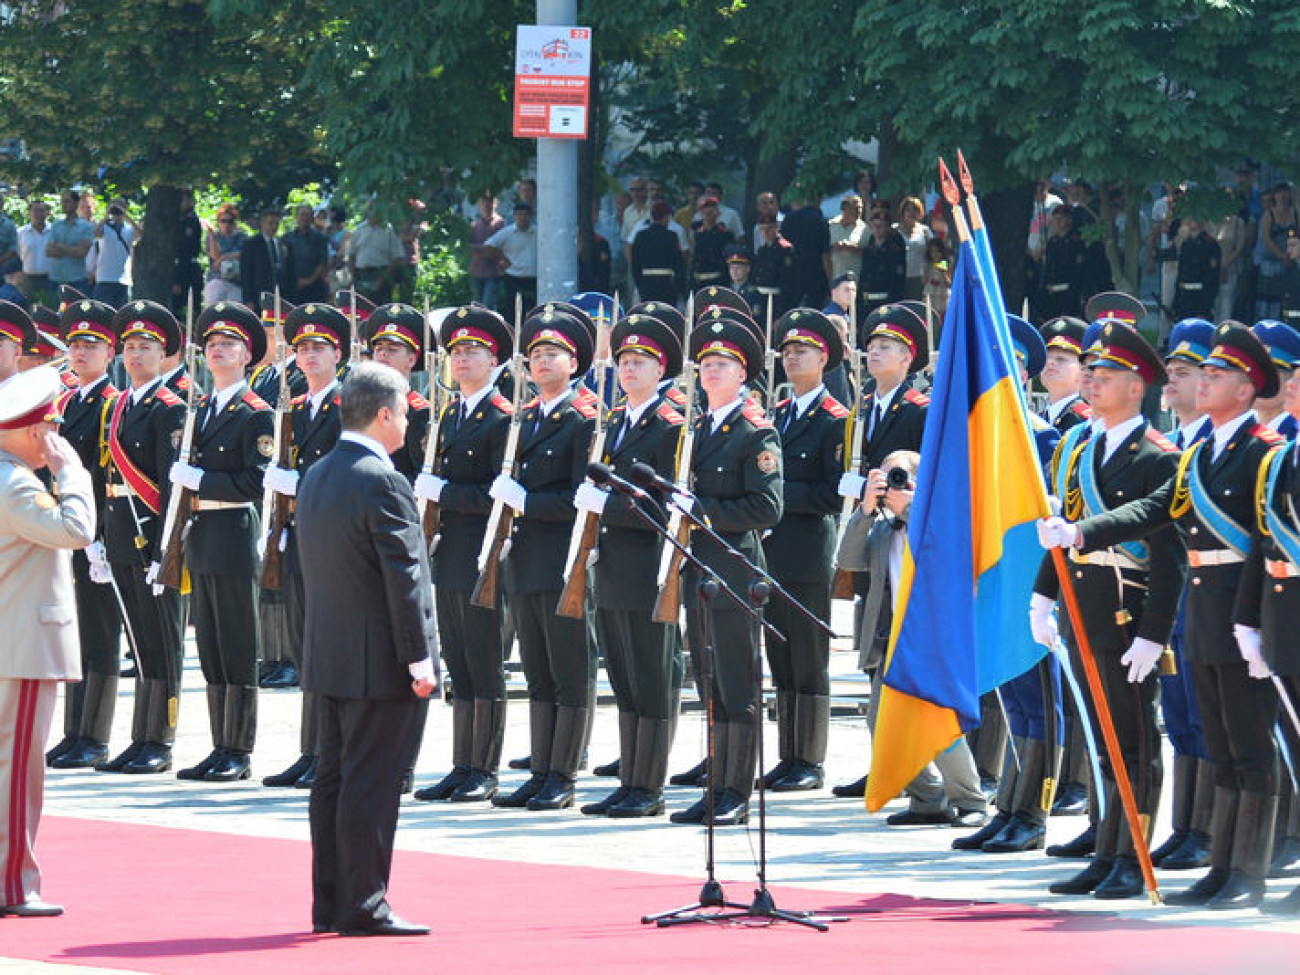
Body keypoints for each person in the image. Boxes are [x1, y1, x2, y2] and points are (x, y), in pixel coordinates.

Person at [1040, 322, 1285, 909]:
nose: (1203, 382)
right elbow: (1154, 511)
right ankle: (1219, 867)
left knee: (1249, 747)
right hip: (1206, 612)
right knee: (1222, 746)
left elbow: (1265, 540)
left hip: (1245, 610)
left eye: (1217, 374)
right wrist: (1078, 534)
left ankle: (1246, 870)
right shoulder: (1201, 456)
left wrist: (1253, 618)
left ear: (1248, 390)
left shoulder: (1264, 454)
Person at [1030, 323, 1186, 900]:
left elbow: (1171, 558)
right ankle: (1105, 847)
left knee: (1135, 738)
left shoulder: (1159, 457)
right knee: (1101, 735)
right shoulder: (1083, 449)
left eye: (1107, 375)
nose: (1093, 382)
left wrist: (1155, 633)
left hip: (1128, 608)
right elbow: (1062, 533)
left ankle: (1133, 852)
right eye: (1091, 374)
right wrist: (1042, 595)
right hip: (1084, 607)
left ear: (1137, 387)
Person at [298, 361, 437, 937]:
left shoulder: (319, 472)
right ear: (384, 414)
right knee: (370, 785)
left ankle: (332, 901)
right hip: (378, 662)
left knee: (333, 781)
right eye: (404, 409)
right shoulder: (383, 479)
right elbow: (403, 581)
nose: (406, 420)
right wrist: (422, 658)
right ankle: (364, 904)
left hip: (329, 654)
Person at [669, 314, 783, 826]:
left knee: (738, 682)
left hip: (735, 571)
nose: (710, 372)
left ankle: (737, 788)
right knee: (709, 679)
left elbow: (767, 506)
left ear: (743, 375)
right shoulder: (698, 428)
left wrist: (704, 510)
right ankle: (717, 782)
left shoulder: (755, 431)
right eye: (705, 364)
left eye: (722, 365)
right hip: (699, 568)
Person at [571, 312, 685, 818]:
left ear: (661, 370)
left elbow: (665, 507)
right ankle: (630, 778)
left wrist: (606, 509)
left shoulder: (671, 425)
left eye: (639, 362)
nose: (629, 369)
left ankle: (650, 785)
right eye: (623, 361)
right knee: (622, 672)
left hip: (650, 566)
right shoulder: (615, 422)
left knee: (652, 674)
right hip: (614, 562)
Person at [490, 306, 597, 812]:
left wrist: (526, 501)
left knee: (569, 667)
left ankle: (564, 773)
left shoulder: (586, 418)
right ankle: (539, 768)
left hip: (563, 558)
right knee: (536, 668)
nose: (542, 361)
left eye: (552, 353)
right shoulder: (524, 417)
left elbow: (582, 496)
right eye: (534, 355)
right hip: (525, 558)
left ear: (573, 363)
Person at [0, 365, 95, 918]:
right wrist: (73, 474)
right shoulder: (14, 481)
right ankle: (14, 884)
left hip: (14, 644)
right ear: (35, 433)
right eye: (51, 428)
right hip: (22, 647)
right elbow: (76, 530)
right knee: (16, 774)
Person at [411, 307, 515, 804]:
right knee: (458, 662)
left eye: (473, 351)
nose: (462, 358)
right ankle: (461, 763)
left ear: (494, 360)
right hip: (449, 550)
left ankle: (485, 767)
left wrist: (444, 492)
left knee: (484, 659)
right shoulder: (449, 413)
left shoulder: (503, 417)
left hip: (483, 551)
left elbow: (500, 493)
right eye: (456, 351)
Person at [170, 302, 272, 784]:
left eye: (228, 343)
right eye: (211, 343)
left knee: (236, 640)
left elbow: (257, 481)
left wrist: (201, 480)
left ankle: (239, 749)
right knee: (209, 643)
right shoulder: (201, 409)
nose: (217, 349)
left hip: (233, 529)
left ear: (247, 355)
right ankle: (219, 745)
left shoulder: (255, 413)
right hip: (202, 534)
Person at [832, 302, 930, 799]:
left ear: (909, 358)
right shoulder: (864, 409)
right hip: (871, 535)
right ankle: (882, 763)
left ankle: (914, 768)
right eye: (870, 345)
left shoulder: (920, 409)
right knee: (873, 650)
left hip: (907, 538)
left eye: (886, 347)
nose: (874, 352)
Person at [261, 302, 352, 790]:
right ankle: (309, 750)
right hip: (297, 536)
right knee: (303, 648)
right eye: (302, 348)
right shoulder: (293, 409)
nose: (309, 355)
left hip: (332, 540)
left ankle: (331, 753)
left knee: (329, 650)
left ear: (338, 354)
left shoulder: (348, 407)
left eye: (319, 347)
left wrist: (300, 485)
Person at [95, 300, 187, 775]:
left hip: (150, 538)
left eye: (145, 347)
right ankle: (140, 736)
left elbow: (171, 485)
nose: (134, 355)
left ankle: (162, 738)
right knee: (141, 640)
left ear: (163, 353)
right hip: (120, 533)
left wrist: (163, 551)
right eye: (128, 347)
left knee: (162, 641)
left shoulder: (168, 409)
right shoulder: (119, 404)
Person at [759, 309, 847, 792]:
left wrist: (778, 493)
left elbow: (835, 495)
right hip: (773, 554)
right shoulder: (778, 415)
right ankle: (788, 753)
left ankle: (810, 759)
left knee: (809, 657)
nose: (793, 359)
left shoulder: (834, 419)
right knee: (780, 655)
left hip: (809, 550)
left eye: (803, 352)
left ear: (824, 359)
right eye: (788, 352)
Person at [45, 301, 122, 770]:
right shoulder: (66, 402)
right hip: (64, 527)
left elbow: (106, 475)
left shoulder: (114, 403)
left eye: (91, 344)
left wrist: (101, 538)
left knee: (101, 634)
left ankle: (95, 734)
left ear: (109, 352)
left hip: (95, 531)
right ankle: (74, 731)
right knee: (74, 635)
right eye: (74, 344)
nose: (80, 351)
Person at [1235, 360, 1300, 916]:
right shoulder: (1282, 457)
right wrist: (1248, 618)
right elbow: (1263, 541)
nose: (1293, 384)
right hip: (1285, 618)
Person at [482, 202, 538, 314]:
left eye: (525, 214)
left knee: (534, 312)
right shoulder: (507, 232)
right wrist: (503, 258)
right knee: (513, 312)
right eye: (519, 214)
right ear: (515, 216)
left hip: (534, 279)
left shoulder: (538, 232)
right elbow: (488, 246)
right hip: (514, 278)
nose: (522, 217)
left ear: (530, 216)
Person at [631, 200, 684, 306]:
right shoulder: (672, 236)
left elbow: (635, 264)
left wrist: (640, 284)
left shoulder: (640, 236)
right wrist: (678, 287)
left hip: (646, 284)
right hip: (667, 284)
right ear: (666, 217)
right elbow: (679, 264)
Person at [46, 190, 94, 297]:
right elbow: (49, 251)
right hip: (56, 280)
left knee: (76, 313)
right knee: (55, 313)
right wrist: (72, 250)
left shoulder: (86, 226)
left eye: (67, 201)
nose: (64, 204)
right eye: (63, 202)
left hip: (78, 281)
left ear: (76, 203)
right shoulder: (56, 225)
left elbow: (81, 252)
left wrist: (60, 246)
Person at [91, 198, 137, 308]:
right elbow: (96, 234)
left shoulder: (129, 229)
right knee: (102, 314)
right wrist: (106, 216)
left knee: (121, 315)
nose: (117, 212)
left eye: (120, 207)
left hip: (124, 280)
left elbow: (140, 234)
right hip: (104, 278)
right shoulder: (105, 228)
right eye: (115, 208)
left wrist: (126, 216)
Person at [241, 207, 286, 315]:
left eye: (276, 223)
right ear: (262, 223)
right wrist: (248, 300)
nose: (273, 226)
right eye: (270, 223)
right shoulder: (251, 244)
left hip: (279, 296)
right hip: (258, 296)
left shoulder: (281, 244)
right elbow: (246, 273)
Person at [282, 204, 330, 305]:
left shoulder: (320, 238)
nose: (304, 218)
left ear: (312, 218)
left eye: (308, 215)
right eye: (302, 215)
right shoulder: (287, 238)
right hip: (292, 288)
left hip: (314, 287)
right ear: (296, 217)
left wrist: (309, 280)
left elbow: (323, 262)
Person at [204, 204, 247, 305]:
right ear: (218, 222)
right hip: (216, 280)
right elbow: (214, 256)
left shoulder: (242, 237)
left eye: (230, 221)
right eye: (223, 221)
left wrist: (224, 257)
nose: (226, 224)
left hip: (236, 283)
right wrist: (212, 235)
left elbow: (244, 254)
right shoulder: (213, 237)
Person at [468, 195, 506, 310]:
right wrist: (485, 248)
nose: (486, 205)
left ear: (495, 203)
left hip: (493, 272)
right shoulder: (475, 225)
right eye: (483, 202)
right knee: (476, 306)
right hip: (477, 270)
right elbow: (468, 247)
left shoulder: (501, 224)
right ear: (479, 204)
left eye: (490, 202)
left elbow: (499, 248)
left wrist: (480, 249)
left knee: (488, 306)